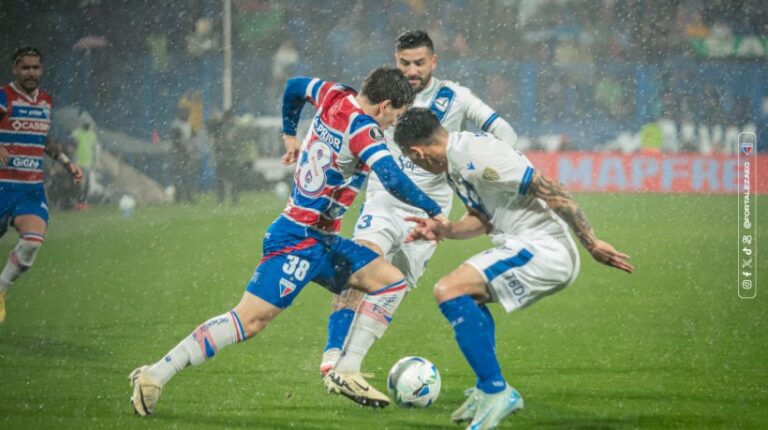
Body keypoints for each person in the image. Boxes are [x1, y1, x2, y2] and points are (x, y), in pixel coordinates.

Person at [129, 65, 448, 416]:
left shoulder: (334, 95)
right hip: (297, 238)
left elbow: (295, 86)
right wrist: (434, 210)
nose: (392, 125)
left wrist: (289, 132)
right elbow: (390, 176)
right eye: (395, 116)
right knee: (248, 321)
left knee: (390, 282)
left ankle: (346, 368)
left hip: (323, 241)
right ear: (385, 105)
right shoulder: (364, 130)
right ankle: (155, 374)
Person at [394, 107, 634, 430]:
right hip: (521, 244)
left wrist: (591, 242)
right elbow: (483, 219)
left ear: (417, 151)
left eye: (412, 160)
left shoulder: (476, 154)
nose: (415, 165)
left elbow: (549, 187)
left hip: (546, 248)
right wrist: (445, 230)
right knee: (465, 296)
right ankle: (488, 388)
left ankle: (497, 391)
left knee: (448, 290)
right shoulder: (455, 163)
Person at [320, 30, 518, 376]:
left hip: (428, 216)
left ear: (434, 62)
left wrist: (483, 168)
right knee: (361, 267)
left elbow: (505, 132)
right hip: (383, 202)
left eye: (419, 63)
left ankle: (351, 362)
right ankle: (334, 355)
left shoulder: (455, 97)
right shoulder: (383, 97)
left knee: (393, 289)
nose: (412, 71)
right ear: (396, 60)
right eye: (405, 63)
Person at [0, 47, 83, 323]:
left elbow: (43, 139)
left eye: (36, 67)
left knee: (33, 242)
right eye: (26, 68)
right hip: (2, 185)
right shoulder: (4, 97)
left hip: (31, 189)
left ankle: (0, 291)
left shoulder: (45, 101)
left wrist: (66, 162)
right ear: (15, 69)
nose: (31, 73)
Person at [208, 109, 242, 204]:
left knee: (221, 180)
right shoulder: (233, 128)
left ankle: (221, 199)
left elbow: (215, 143)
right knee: (232, 180)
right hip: (230, 158)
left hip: (223, 158)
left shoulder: (220, 128)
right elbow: (238, 143)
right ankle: (233, 199)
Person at [70, 115, 99, 211]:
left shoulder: (92, 135)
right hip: (78, 163)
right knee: (78, 184)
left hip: (87, 163)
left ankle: (83, 203)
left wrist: (94, 163)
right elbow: (72, 148)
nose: (87, 124)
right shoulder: (76, 133)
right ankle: (77, 203)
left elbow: (95, 150)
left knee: (86, 184)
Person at [169, 107, 197, 204]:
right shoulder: (177, 125)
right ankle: (179, 198)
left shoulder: (187, 125)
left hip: (185, 154)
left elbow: (193, 135)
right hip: (179, 154)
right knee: (180, 176)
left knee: (185, 176)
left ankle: (188, 198)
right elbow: (175, 141)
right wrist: (185, 148)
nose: (187, 116)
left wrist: (191, 146)